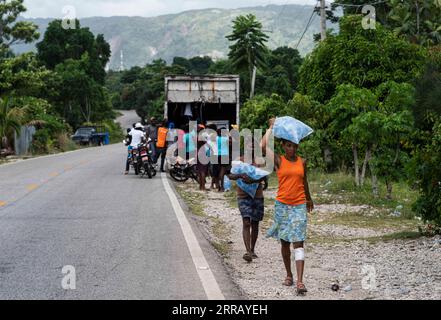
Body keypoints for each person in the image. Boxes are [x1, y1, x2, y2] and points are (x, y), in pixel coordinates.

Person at [261, 118, 314, 295]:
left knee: (298, 243)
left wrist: (309, 199)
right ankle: (288, 274)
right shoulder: (278, 160)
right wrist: (270, 127)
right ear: (283, 145)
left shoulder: (302, 162)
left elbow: (304, 181)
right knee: (285, 242)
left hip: (299, 205)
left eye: (295, 146)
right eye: (289, 145)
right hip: (282, 205)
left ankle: (300, 281)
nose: (292, 149)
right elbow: (262, 146)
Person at [228, 139, 267, 263]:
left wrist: (254, 180)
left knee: (255, 222)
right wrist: (240, 176)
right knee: (246, 222)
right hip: (243, 195)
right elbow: (230, 175)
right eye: (249, 147)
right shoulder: (239, 161)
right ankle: (248, 251)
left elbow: (263, 176)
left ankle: (252, 249)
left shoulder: (260, 162)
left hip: (257, 195)